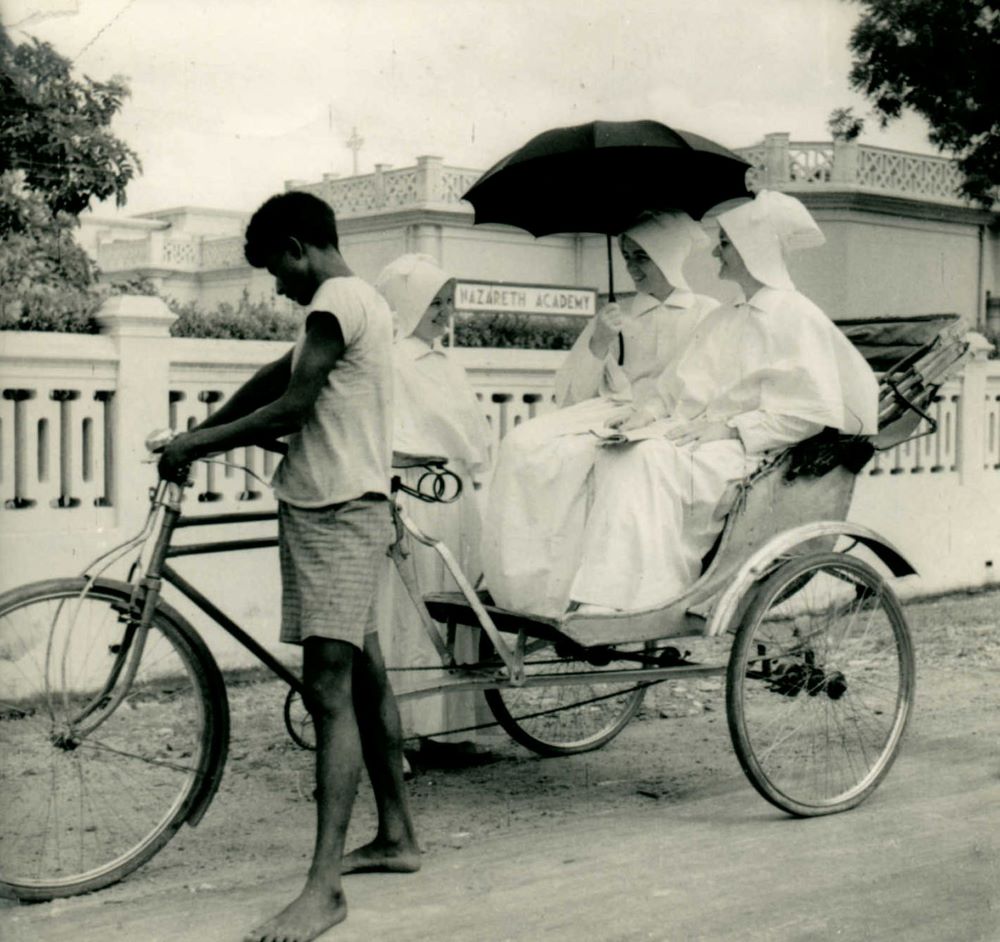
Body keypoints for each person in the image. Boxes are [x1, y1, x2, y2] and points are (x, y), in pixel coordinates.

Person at [157, 191, 419, 942]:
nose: (276, 286)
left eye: (276, 269)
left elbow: (292, 408)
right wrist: (199, 429)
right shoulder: (345, 305)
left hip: (340, 513)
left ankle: (323, 890)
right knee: (362, 676)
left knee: (328, 691)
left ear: (300, 246)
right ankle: (399, 838)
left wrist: (195, 448)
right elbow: (277, 377)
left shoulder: (336, 299)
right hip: (327, 508)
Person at [565, 190, 880, 613]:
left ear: (756, 249)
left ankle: (644, 595)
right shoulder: (723, 317)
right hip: (696, 437)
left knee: (646, 460)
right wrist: (645, 414)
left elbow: (808, 412)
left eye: (726, 244)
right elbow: (674, 388)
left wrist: (731, 428)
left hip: (749, 454)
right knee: (614, 453)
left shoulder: (796, 316)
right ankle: (608, 591)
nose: (715, 251)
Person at [481, 211, 719, 617]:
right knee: (523, 444)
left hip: (673, 417)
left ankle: (587, 589)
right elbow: (574, 393)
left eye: (642, 256)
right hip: (610, 410)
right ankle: (525, 586)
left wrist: (652, 412)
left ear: (669, 256)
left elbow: (710, 384)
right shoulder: (617, 314)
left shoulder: (708, 313)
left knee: (596, 459)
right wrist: (600, 340)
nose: (631, 267)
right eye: (627, 256)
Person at [375, 254, 492, 754]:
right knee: (414, 611)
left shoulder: (448, 363)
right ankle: (410, 726)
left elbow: (473, 433)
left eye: (450, 302)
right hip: (418, 495)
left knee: (458, 606)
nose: (445, 312)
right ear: (411, 304)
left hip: (455, 497)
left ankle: (452, 726)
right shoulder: (394, 362)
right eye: (435, 302)